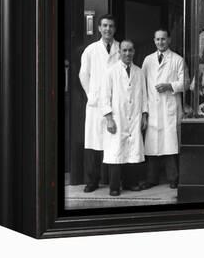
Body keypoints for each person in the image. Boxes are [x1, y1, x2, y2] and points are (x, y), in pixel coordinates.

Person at [100, 40, 148, 196]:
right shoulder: (110, 72)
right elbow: (104, 97)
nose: (127, 53)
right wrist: (109, 119)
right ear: (119, 52)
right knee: (116, 152)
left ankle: (130, 183)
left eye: (130, 50)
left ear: (134, 52)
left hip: (134, 117)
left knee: (132, 151)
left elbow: (144, 96)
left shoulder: (139, 72)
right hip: (117, 117)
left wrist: (144, 115)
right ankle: (114, 186)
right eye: (124, 50)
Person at [140, 28, 187, 189]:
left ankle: (173, 178)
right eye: (158, 39)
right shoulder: (147, 60)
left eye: (163, 39)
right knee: (152, 146)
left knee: (170, 145)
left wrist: (170, 85)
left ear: (169, 40)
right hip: (153, 107)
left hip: (170, 107)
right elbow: (143, 87)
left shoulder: (177, 60)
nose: (161, 42)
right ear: (154, 41)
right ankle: (151, 179)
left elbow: (185, 83)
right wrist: (144, 112)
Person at [78, 14, 120, 193]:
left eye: (111, 26)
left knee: (114, 143)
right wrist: (92, 95)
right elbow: (83, 75)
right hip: (95, 104)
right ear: (98, 28)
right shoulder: (91, 50)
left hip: (115, 103)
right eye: (104, 26)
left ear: (114, 29)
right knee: (94, 143)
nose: (107, 29)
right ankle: (92, 181)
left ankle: (114, 183)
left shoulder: (120, 49)